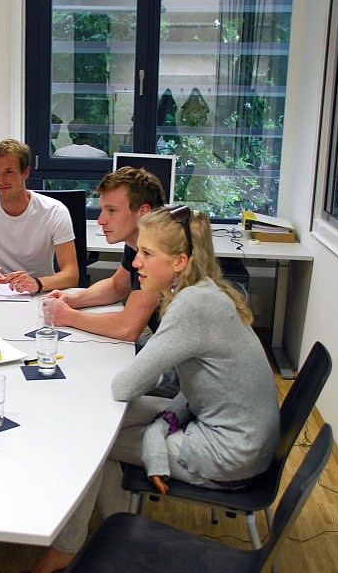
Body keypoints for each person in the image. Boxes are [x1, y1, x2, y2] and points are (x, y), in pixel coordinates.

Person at [31, 206, 280, 573]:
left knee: (89, 438)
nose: (136, 263)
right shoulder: (205, 291)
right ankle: (121, 534)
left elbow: (125, 386)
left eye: (147, 254)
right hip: (236, 433)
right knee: (101, 423)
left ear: (180, 262)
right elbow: (192, 388)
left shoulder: (192, 307)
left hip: (227, 455)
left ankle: (68, 551)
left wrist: (152, 419)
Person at [46, 166, 165, 342]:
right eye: (103, 210)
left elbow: (128, 328)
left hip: (186, 365)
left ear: (143, 212)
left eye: (112, 210)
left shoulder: (160, 250)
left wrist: (68, 316)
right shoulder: (138, 243)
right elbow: (116, 286)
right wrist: (72, 299)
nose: (101, 220)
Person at [0, 138, 78, 294]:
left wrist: (37, 283)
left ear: (25, 173)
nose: (1, 180)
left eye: (9, 172)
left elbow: (71, 274)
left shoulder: (54, 211)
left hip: (40, 291)